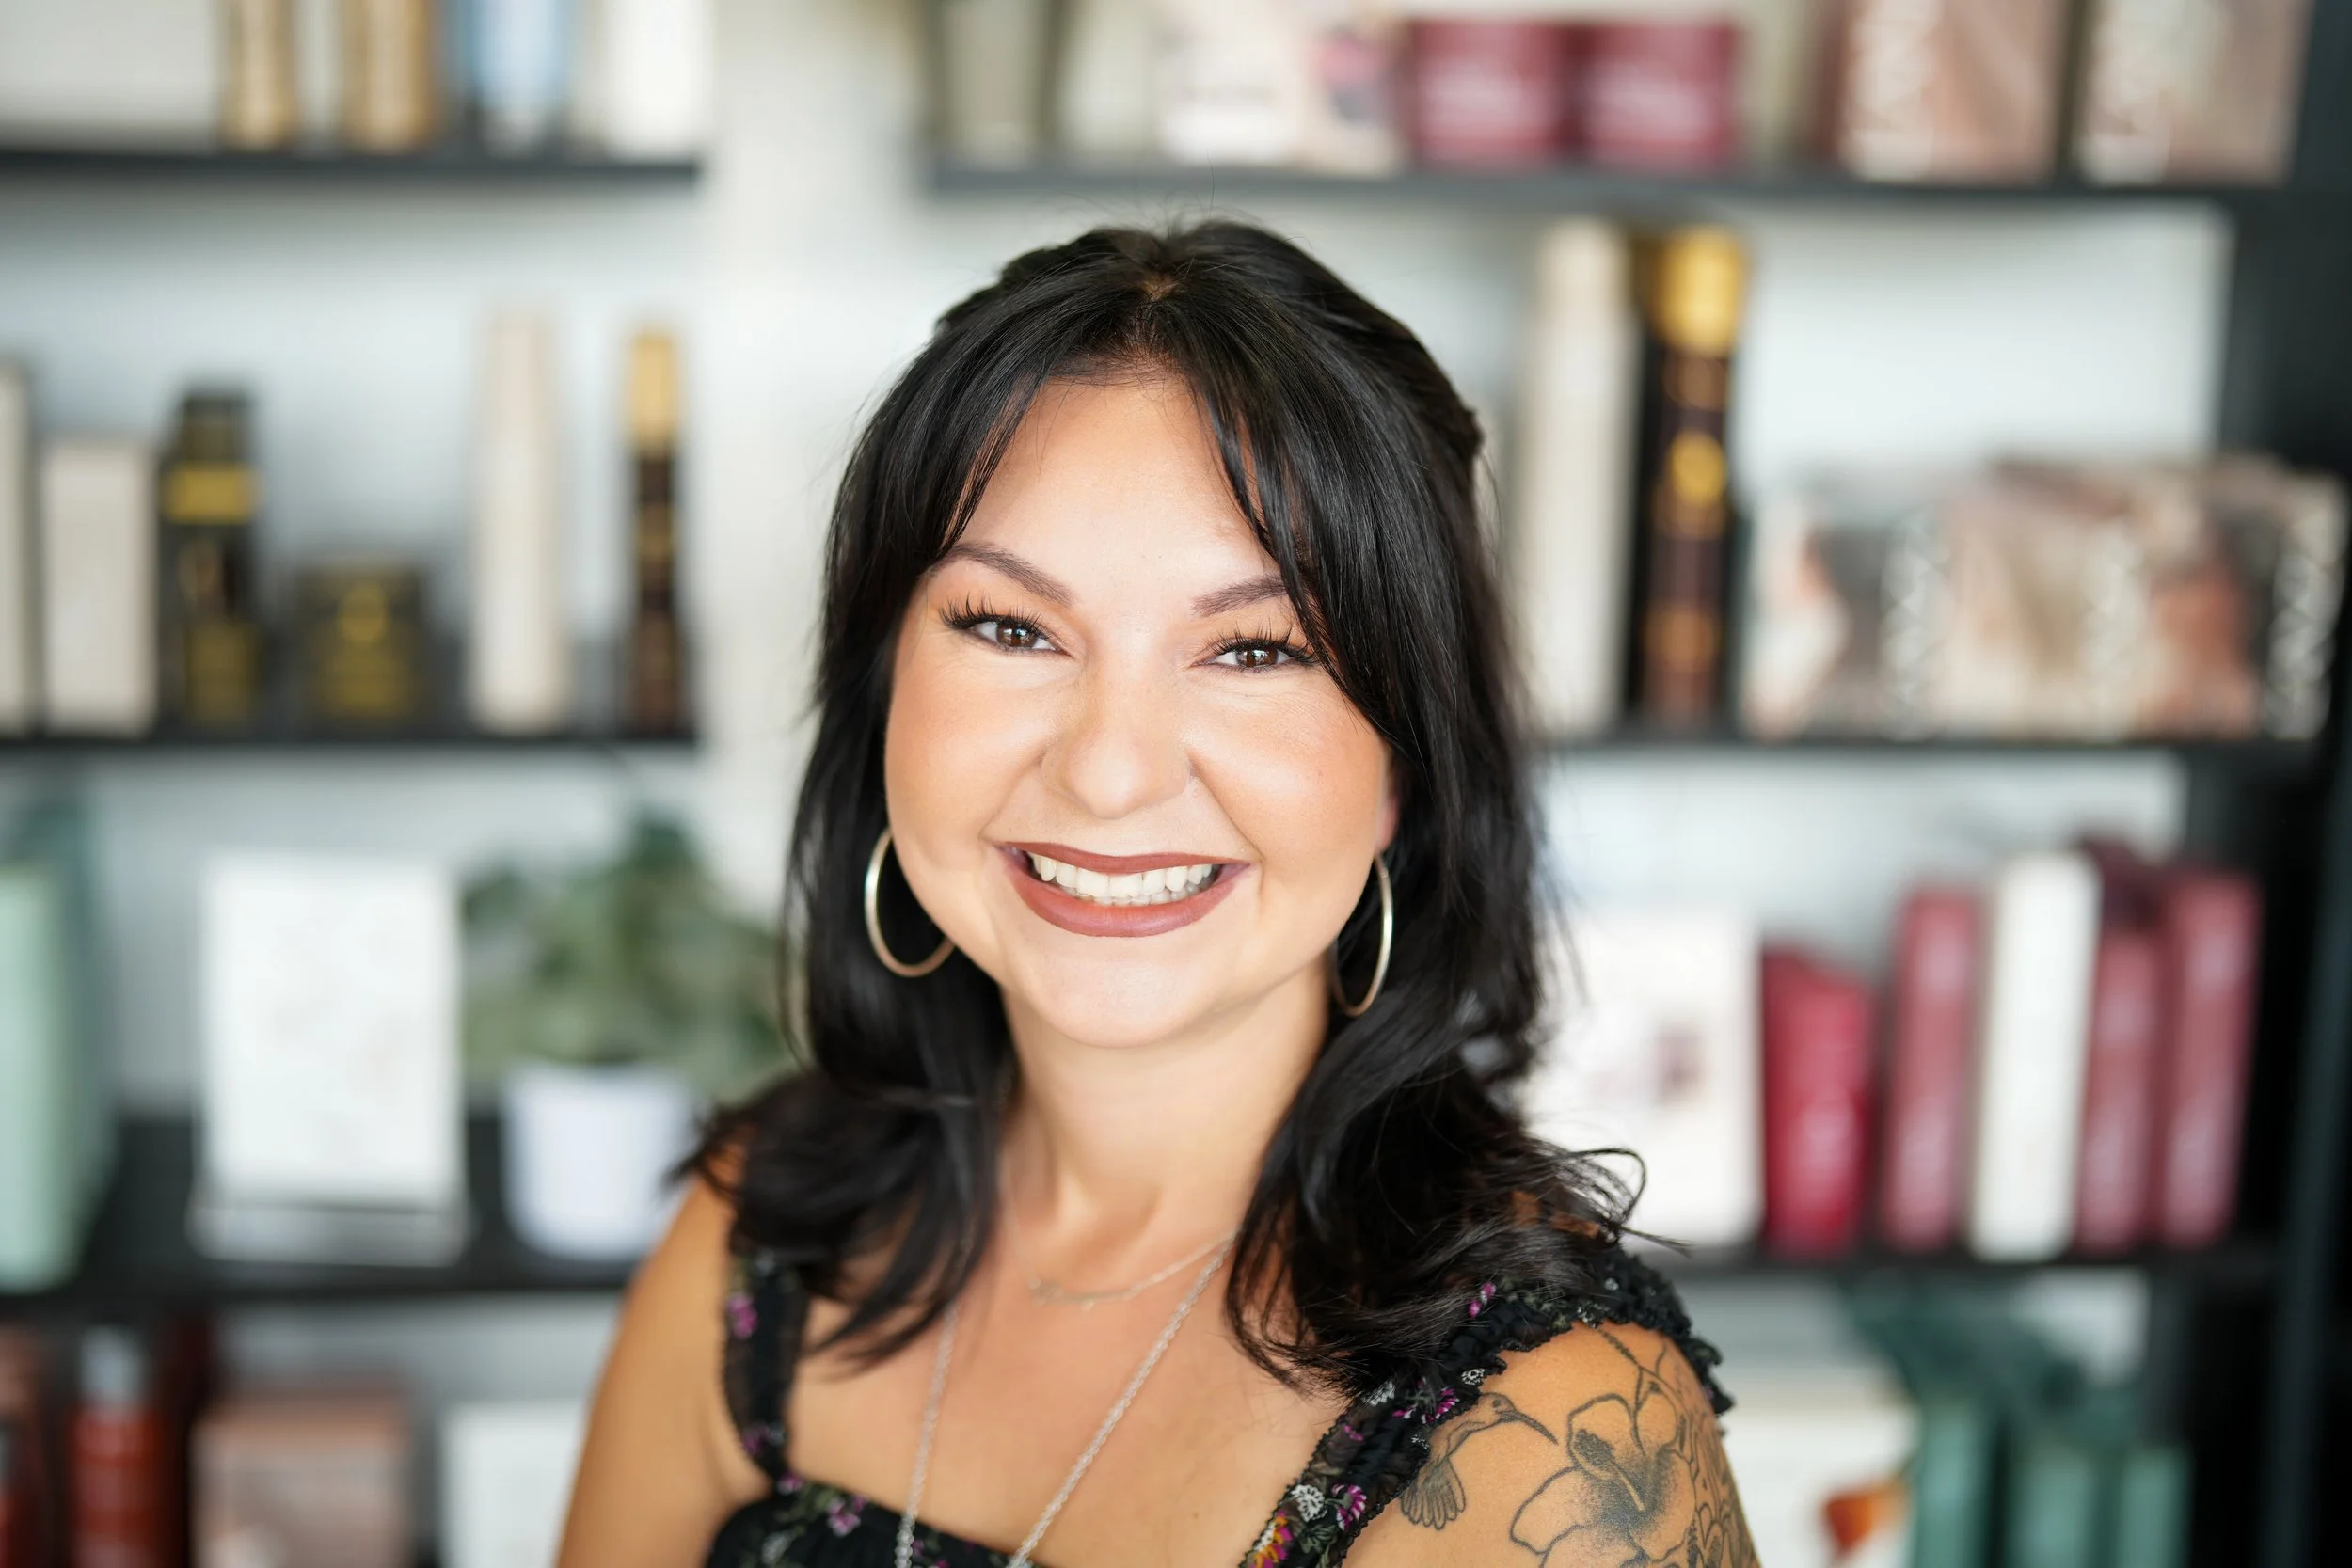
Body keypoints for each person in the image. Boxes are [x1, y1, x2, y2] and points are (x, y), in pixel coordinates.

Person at [557, 222, 1755, 1568]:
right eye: (1011, 628)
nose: (1112, 772)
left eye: (1254, 647)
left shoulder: (1559, 1443)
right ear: (882, 690)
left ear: (1400, 772)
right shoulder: (759, 1233)